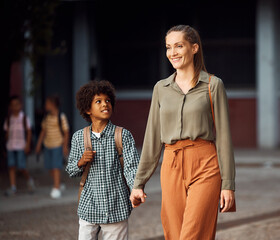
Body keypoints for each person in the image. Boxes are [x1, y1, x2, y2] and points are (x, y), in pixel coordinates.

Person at [130, 25, 235, 240]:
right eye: (168, 47)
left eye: (179, 46)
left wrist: (228, 185)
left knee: (192, 235)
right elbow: (152, 138)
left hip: (205, 164)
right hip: (171, 164)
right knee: (175, 234)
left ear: (194, 48)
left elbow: (224, 138)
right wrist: (138, 183)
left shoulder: (213, 85)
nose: (172, 53)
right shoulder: (161, 88)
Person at [66, 80, 140, 240]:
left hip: (116, 207)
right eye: (98, 101)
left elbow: (132, 167)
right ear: (87, 109)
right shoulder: (79, 138)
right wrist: (81, 162)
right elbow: (71, 171)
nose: (105, 104)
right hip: (89, 207)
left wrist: (136, 188)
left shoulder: (123, 135)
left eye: (107, 100)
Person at [35, 95, 70, 199]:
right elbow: (43, 131)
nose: (45, 106)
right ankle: (59, 182)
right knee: (50, 167)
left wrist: (64, 146)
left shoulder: (61, 117)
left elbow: (66, 132)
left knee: (56, 167)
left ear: (53, 104)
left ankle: (56, 187)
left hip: (57, 145)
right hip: (48, 145)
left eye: (47, 104)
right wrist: (38, 144)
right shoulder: (47, 118)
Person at [3, 95, 35, 196]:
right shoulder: (9, 119)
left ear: (20, 105)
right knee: (11, 166)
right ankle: (13, 187)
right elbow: (6, 132)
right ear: (10, 107)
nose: (15, 107)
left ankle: (29, 180)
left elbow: (29, 132)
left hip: (21, 145)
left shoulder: (24, 118)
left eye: (17, 104)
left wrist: (27, 144)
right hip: (11, 146)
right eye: (13, 105)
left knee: (21, 166)